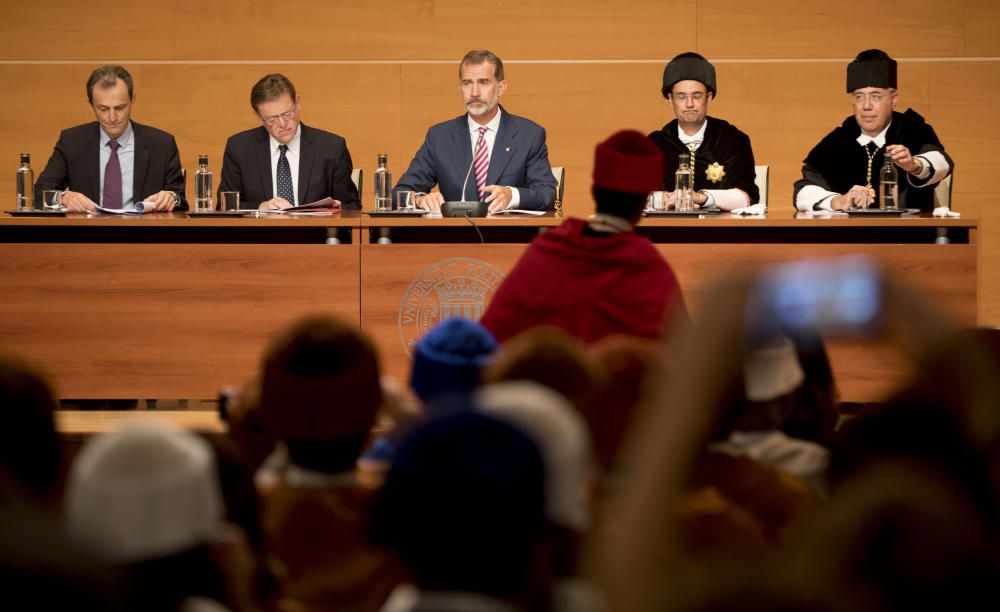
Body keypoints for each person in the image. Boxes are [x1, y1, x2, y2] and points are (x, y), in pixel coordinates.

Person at [480, 129, 687, 344]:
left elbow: (491, 336)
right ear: (643, 204)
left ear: (594, 190)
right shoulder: (649, 270)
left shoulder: (546, 252)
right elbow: (680, 353)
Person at [393, 50, 558, 214]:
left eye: (484, 82)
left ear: (501, 87)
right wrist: (420, 199)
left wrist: (511, 195)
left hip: (508, 235)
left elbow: (547, 194)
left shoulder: (528, 135)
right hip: (453, 236)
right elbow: (399, 193)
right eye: (467, 83)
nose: (474, 93)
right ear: (460, 88)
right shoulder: (439, 137)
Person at [794, 49, 953, 212]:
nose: (866, 106)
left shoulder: (912, 129)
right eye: (859, 97)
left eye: (875, 96)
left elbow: (942, 163)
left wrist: (915, 165)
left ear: (893, 99)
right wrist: (837, 201)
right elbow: (803, 191)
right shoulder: (840, 139)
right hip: (848, 234)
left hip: (906, 234)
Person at [35, 65, 186, 212]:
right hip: (88, 234)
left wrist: (171, 197)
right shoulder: (72, 142)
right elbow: (39, 192)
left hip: (143, 234)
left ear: (132, 100)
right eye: (103, 109)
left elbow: (180, 199)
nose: (112, 118)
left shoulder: (162, 144)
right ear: (91, 105)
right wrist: (63, 197)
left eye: (120, 108)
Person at [218, 73, 360, 210]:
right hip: (258, 233)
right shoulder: (239, 148)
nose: (282, 124)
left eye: (287, 114)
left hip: (315, 233)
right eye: (272, 119)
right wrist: (260, 208)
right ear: (259, 117)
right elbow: (224, 207)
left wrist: (338, 207)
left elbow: (352, 207)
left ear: (297, 103)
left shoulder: (331, 147)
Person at [648, 52, 759, 210]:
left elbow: (747, 197)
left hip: (723, 231)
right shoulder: (654, 144)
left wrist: (702, 198)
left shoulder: (733, 140)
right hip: (669, 229)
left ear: (709, 97)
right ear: (670, 99)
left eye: (697, 96)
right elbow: (632, 196)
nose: (689, 104)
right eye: (681, 96)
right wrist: (666, 198)